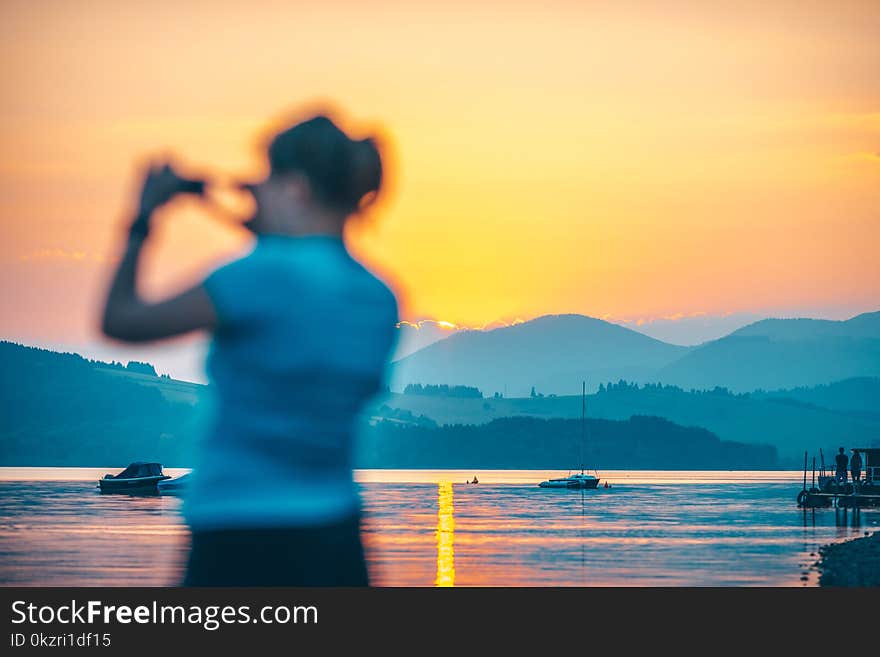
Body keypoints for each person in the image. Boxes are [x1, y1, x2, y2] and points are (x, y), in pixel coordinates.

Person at [101, 113, 398, 586]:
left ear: (295, 188)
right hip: (337, 541)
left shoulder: (254, 276)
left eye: (268, 177)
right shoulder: (378, 297)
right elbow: (303, 280)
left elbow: (120, 319)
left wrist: (144, 217)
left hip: (237, 536)